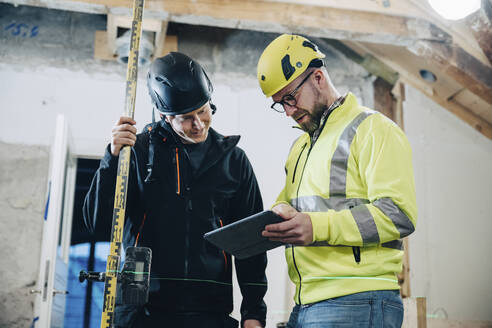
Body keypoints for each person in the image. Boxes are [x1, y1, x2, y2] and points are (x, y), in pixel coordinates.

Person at [84, 52, 267, 328]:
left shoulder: (234, 161)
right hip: (141, 315)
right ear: (165, 116)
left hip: (210, 315)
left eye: (204, 110)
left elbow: (251, 243)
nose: (199, 124)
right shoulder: (137, 152)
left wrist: (253, 313)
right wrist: (112, 159)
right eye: (186, 117)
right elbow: (97, 223)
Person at [257, 34, 417, 327]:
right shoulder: (300, 148)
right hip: (307, 301)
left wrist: (316, 226)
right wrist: (279, 215)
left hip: (358, 298)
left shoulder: (373, 130)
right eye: (280, 104)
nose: (289, 111)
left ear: (317, 77)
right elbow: (290, 204)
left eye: (290, 98)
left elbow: (399, 214)